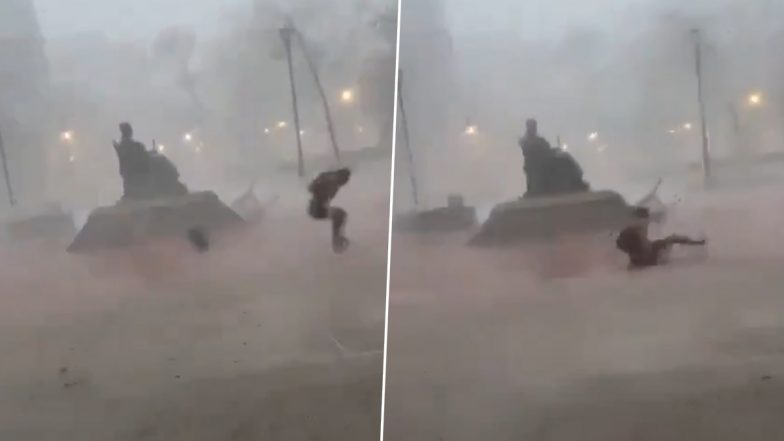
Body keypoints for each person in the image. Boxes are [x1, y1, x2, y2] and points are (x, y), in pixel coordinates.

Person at [616, 207, 705, 268]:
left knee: (670, 239)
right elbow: (622, 244)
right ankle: (696, 243)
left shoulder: (631, 229)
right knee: (671, 240)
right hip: (647, 257)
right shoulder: (635, 229)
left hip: (641, 257)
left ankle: (696, 243)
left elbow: (620, 244)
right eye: (645, 218)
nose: (646, 221)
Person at [308, 168, 351, 253]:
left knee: (340, 214)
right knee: (339, 215)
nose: (345, 183)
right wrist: (323, 202)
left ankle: (337, 240)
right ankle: (336, 242)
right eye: (345, 180)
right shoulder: (332, 182)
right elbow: (313, 188)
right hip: (316, 208)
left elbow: (312, 187)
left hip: (316, 206)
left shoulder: (331, 179)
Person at [113, 122, 150, 200]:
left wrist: (117, 147)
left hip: (132, 174)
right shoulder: (132, 145)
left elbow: (124, 154)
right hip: (132, 175)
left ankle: (130, 193)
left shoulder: (128, 144)